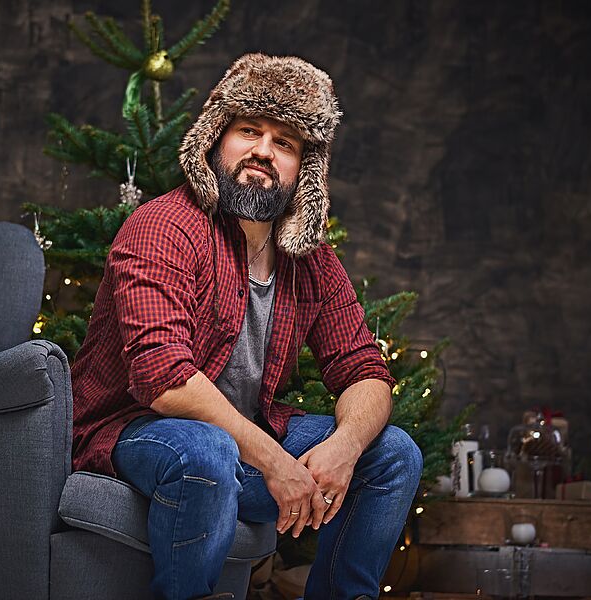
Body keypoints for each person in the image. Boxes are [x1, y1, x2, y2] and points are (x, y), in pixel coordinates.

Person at [70, 53, 423, 600]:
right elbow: (164, 379)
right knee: (204, 451)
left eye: (285, 142)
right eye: (249, 130)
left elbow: (364, 370)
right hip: (136, 431)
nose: (264, 150)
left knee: (394, 452)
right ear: (216, 141)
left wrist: (345, 447)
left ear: (303, 168)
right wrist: (278, 463)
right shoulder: (164, 226)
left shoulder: (310, 260)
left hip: (243, 442)